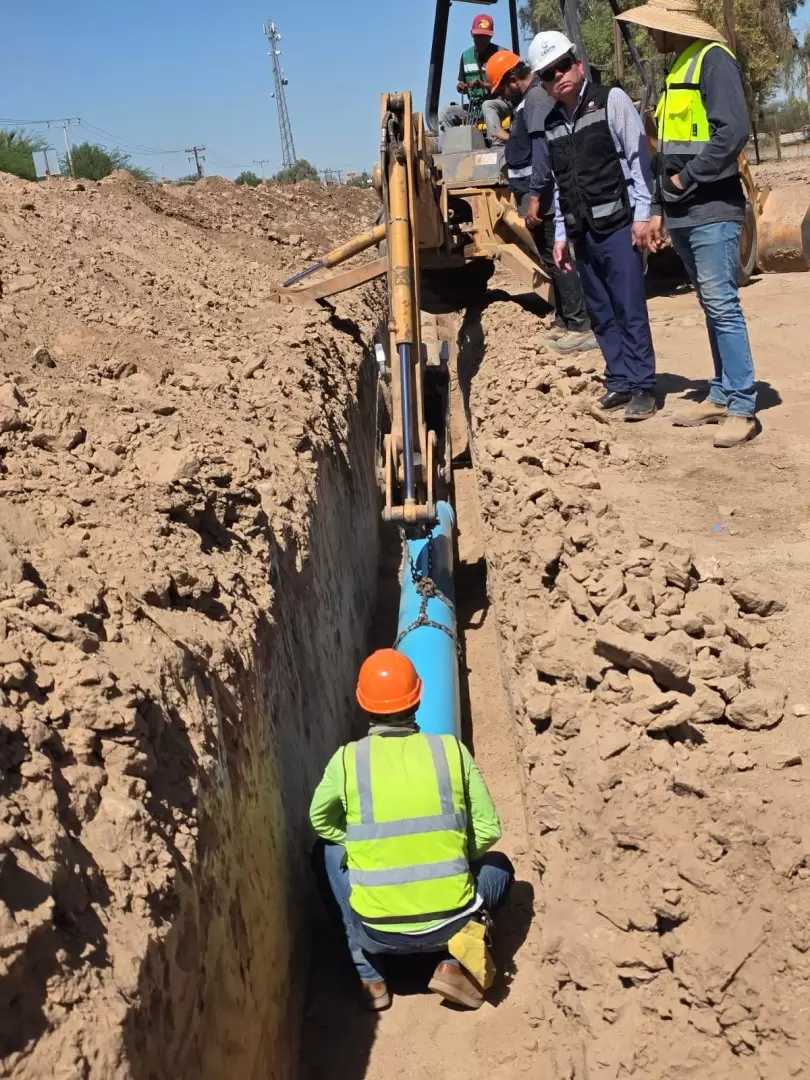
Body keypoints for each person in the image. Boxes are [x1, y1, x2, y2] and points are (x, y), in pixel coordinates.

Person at [309, 648, 514, 1012]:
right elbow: (488, 828)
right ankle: (456, 965)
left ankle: (370, 976)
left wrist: (358, 845)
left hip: (378, 931)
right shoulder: (451, 751)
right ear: (418, 698)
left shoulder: (346, 760)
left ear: (363, 703)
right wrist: (451, 856)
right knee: (500, 867)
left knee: (324, 852)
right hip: (451, 925)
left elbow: (320, 821)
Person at [617, 0, 757, 447]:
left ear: (671, 26)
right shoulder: (679, 66)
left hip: (712, 208)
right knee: (710, 305)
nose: (648, 35)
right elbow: (668, 146)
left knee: (722, 305)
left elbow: (731, 132)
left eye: (652, 27)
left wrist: (685, 178)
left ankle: (742, 405)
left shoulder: (713, 61)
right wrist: (662, 203)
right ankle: (721, 392)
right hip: (683, 209)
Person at [528, 31, 657, 421]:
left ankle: (643, 386)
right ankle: (618, 379)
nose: (558, 76)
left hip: (619, 226)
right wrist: (562, 238)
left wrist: (641, 217)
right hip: (582, 232)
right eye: (548, 74)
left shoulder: (610, 101)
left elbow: (637, 160)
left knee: (629, 307)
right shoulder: (551, 124)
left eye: (563, 66)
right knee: (600, 311)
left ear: (578, 64)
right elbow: (559, 183)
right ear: (544, 84)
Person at [486, 49, 597, 355]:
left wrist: (535, 196)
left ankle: (580, 326)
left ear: (511, 78)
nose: (502, 96)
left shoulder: (534, 99)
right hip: (533, 198)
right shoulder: (526, 103)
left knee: (559, 261)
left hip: (543, 199)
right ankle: (565, 321)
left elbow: (541, 151)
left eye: (501, 88)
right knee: (550, 260)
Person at [440, 13, 513, 145]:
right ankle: (447, 149)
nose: (481, 40)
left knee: (488, 105)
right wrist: (461, 87)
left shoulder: (502, 55)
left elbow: (512, 86)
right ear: (472, 35)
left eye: (484, 36)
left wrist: (485, 85)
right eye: (478, 36)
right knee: (446, 112)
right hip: (475, 109)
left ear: (491, 36)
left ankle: (497, 144)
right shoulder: (465, 56)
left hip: (500, 105)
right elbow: (462, 83)